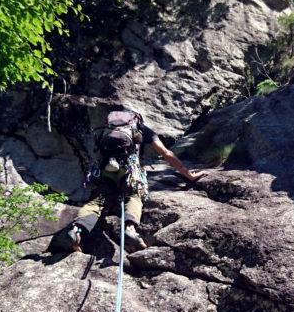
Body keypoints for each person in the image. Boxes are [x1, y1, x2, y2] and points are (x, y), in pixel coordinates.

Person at [49, 107, 202, 255]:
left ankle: (77, 230)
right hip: (130, 171)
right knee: (134, 196)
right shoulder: (141, 129)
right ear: (135, 119)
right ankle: (129, 229)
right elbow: (165, 153)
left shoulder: (104, 131)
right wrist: (188, 174)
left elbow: (97, 156)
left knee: (97, 202)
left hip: (106, 171)